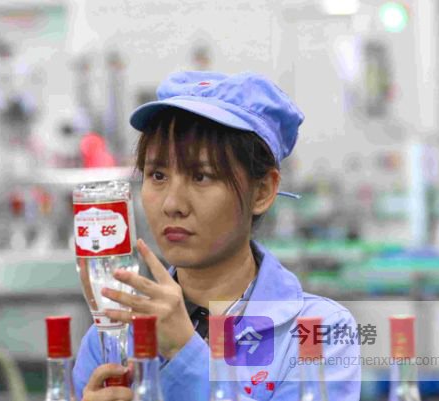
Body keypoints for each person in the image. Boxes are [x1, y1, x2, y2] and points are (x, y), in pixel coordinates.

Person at [72, 71, 361, 401]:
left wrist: (185, 353)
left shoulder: (318, 331)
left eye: (201, 176)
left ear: (262, 191)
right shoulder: (113, 335)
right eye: (157, 175)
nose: (172, 204)